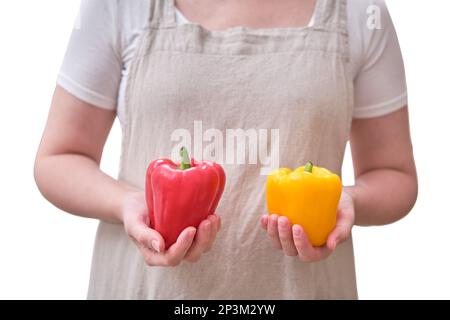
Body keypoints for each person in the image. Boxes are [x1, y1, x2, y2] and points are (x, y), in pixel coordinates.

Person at [34, 0, 418, 299]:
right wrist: (127, 203)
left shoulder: (360, 12)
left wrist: (345, 201)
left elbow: (394, 175)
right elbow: (59, 159)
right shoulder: (119, 6)